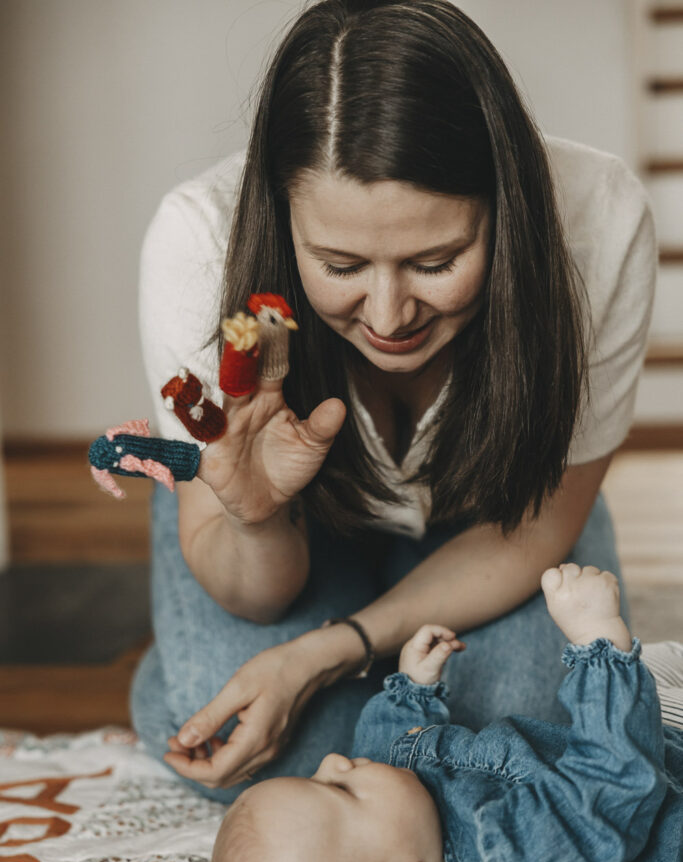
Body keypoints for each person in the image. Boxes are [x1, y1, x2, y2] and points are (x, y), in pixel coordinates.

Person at [130, 0, 657, 802]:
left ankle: (341, 650)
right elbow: (258, 597)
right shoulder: (198, 240)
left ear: (504, 208)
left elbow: (534, 526)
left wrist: (326, 652)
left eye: (435, 261)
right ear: (282, 213)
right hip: (289, 536)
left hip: (499, 515)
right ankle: (191, 656)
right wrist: (257, 516)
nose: (387, 316)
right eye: (340, 266)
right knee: (265, 757)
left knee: (509, 750)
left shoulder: (601, 220)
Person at [208, 564, 683, 862]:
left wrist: (411, 693)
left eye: (314, 775)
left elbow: (382, 756)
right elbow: (612, 781)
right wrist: (599, 643)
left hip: (637, 737)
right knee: (631, 663)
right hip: (662, 776)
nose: (332, 761)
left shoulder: (405, 839)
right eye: (338, 789)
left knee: (655, 662)